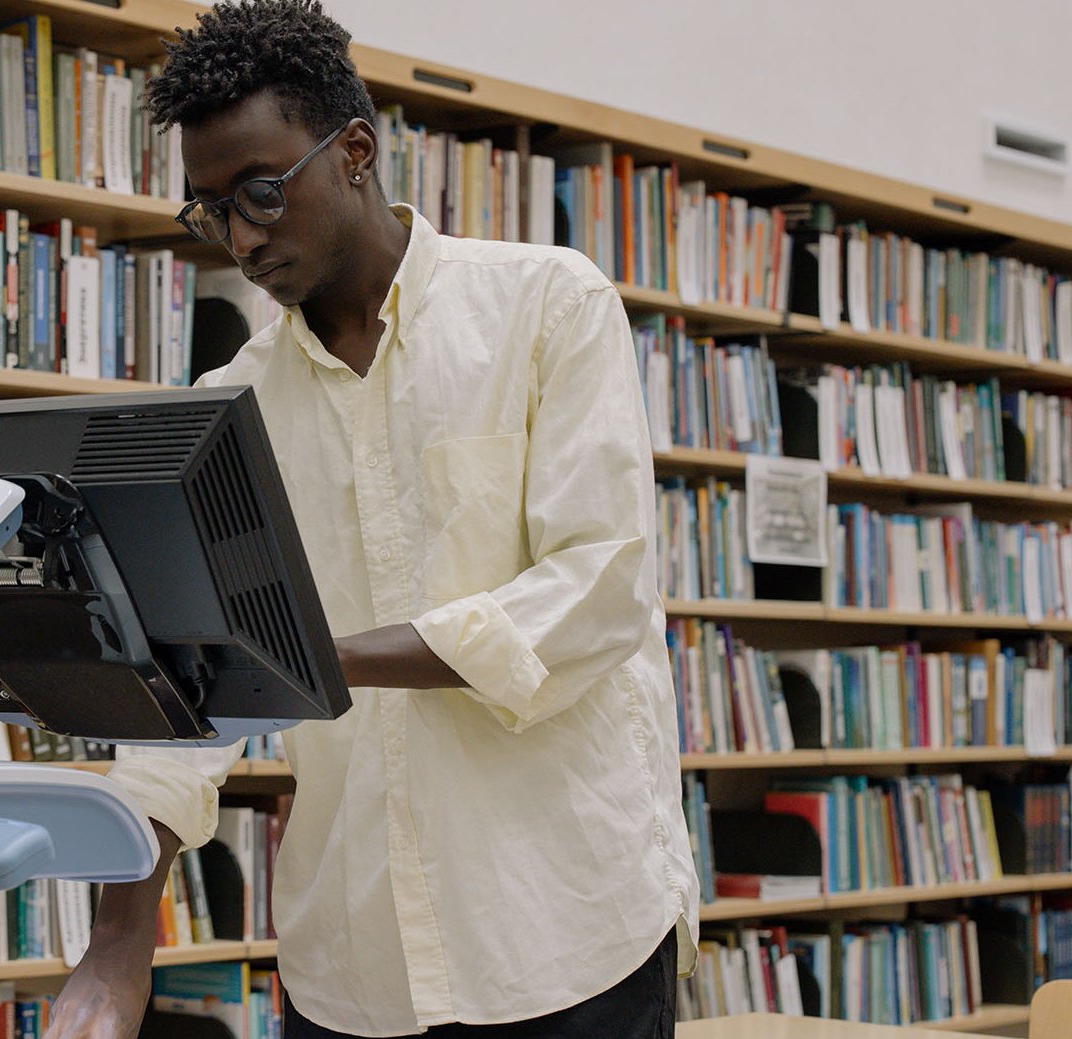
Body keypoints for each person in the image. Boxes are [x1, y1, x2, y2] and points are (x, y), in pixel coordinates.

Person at [46, 2, 699, 1038]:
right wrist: (117, 948)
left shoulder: (547, 307)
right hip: (353, 964)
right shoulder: (230, 407)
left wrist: (317, 657)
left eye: (262, 191)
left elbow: (597, 588)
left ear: (354, 151)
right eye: (212, 211)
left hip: (566, 936)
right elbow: (186, 697)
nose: (244, 237)